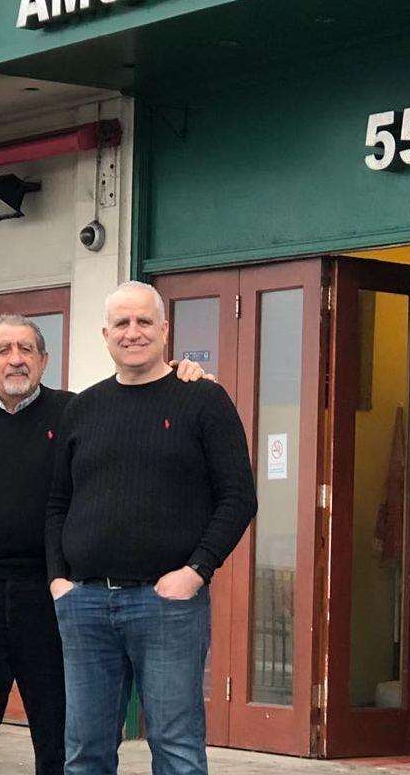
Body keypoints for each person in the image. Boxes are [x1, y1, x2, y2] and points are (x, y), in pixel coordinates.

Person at [0, 313, 208, 775]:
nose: (16, 360)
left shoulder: (75, 412)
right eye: (4, 351)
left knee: (61, 739)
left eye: (27, 350)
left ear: (44, 360)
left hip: (50, 595)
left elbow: (139, 399)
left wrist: (185, 375)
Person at [46, 281, 257, 775]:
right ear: (105, 334)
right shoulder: (83, 408)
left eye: (144, 321)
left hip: (167, 605)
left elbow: (238, 497)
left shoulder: (202, 399)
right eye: (122, 323)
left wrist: (196, 571)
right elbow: (57, 501)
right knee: (83, 752)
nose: (133, 332)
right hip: (85, 604)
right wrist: (60, 580)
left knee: (176, 746)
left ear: (165, 330)